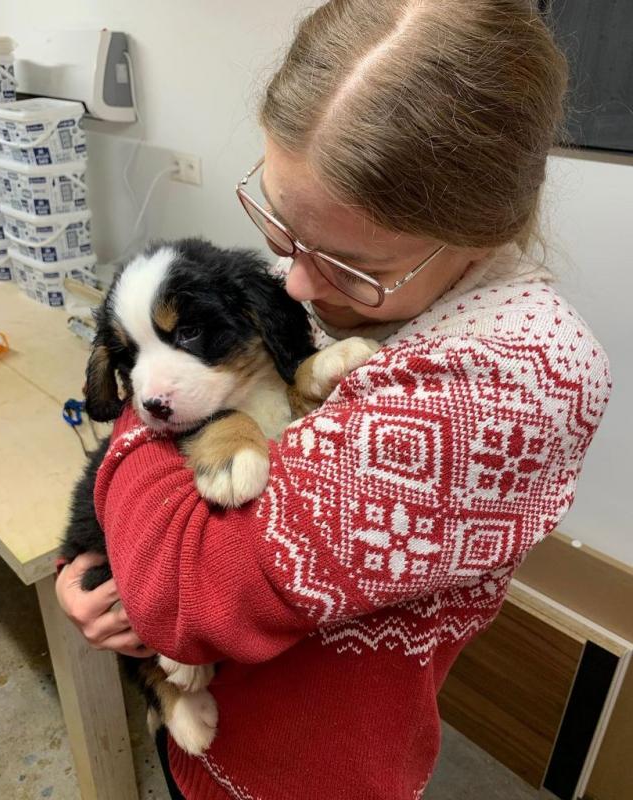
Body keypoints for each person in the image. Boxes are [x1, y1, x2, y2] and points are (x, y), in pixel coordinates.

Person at [56, 1, 611, 798]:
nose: (296, 285)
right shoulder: (400, 302)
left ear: (476, 228)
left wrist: (137, 453)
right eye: (282, 229)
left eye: (349, 262)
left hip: (302, 773)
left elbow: (178, 599)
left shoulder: (506, 386)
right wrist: (110, 554)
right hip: (216, 738)